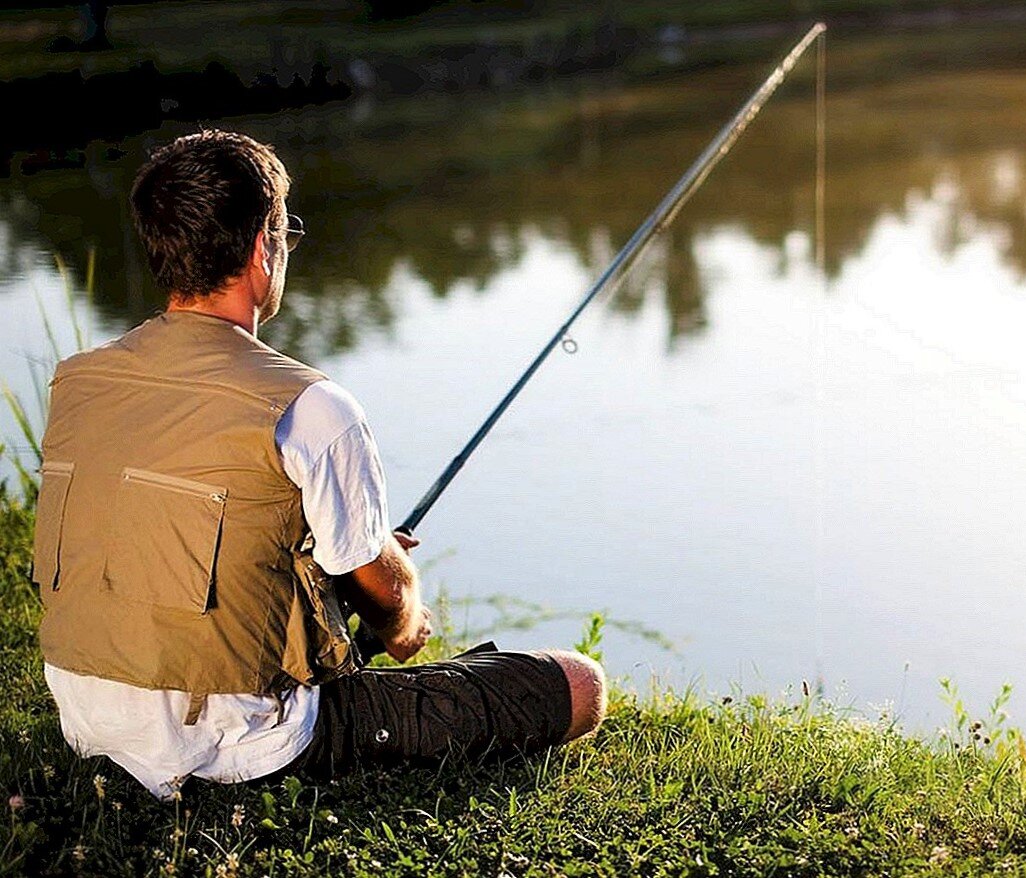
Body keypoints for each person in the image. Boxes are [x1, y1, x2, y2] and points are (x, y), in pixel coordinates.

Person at [31, 128, 606, 800]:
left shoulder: (79, 381)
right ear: (260, 250)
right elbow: (384, 595)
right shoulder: (309, 406)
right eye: (285, 233)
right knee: (578, 685)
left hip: (88, 720)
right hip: (234, 747)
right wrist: (404, 614)